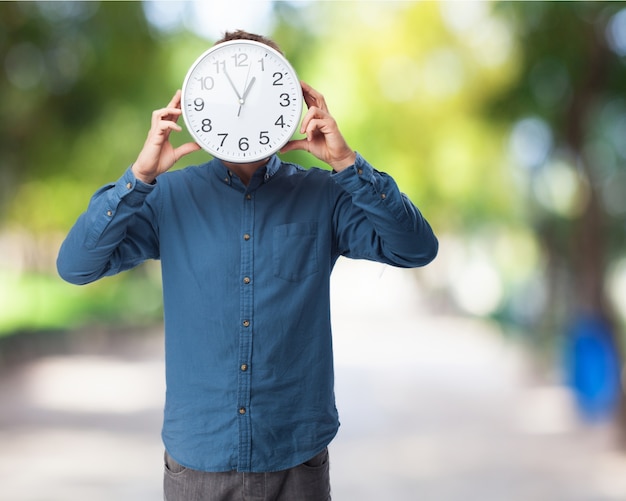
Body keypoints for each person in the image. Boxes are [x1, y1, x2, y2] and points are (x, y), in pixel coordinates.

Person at [57, 30, 438, 501]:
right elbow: (75, 265)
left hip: (294, 456)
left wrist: (347, 164)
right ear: (200, 103)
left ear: (291, 101)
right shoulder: (167, 197)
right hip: (198, 458)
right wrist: (138, 178)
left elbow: (415, 248)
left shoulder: (324, 194)